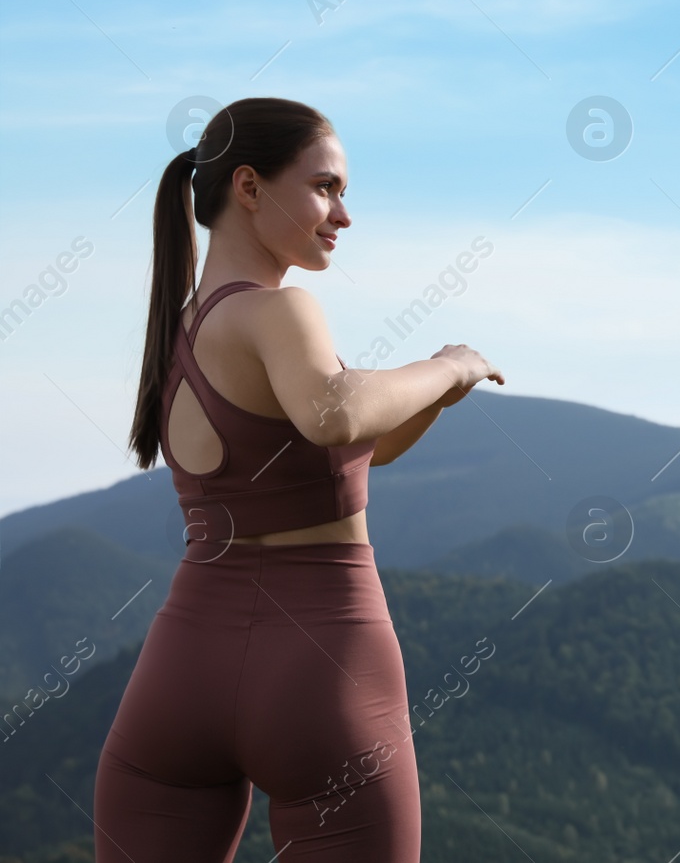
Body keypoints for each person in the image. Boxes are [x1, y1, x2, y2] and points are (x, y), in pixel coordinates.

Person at [97, 97, 503, 861]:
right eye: (326, 186)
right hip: (323, 664)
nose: (343, 214)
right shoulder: (281, 312)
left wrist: (437, 399)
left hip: (180, 675)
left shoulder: (180, 330)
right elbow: (335, 415)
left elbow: (357, 449)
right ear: (248, 187)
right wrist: (452, 362)